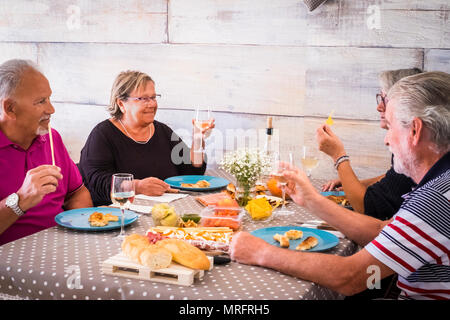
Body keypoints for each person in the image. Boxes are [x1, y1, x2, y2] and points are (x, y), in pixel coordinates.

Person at [230, 71, 450, 300]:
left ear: (414, 131)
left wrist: (259, 252)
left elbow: (350, 277)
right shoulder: (440, 185)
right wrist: (311, 200)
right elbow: (380, 231)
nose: (386, 139)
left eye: (391, 126)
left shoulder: (436, 198)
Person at [79, 70, 213, 206]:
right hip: (120, 216)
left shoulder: (162, 131)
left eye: (153, 97)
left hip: (164, 212)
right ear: (121, 104)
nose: (152, 104)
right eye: (143, 99)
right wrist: (137, 186)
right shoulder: (103, 134)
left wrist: (198, 138)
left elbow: (192, 172)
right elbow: (96, 182)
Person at [0, 59, 93, 246]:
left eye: (49, 98)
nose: (51, 109)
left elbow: (77, 193)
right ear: (10, 108)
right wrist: (21, 199)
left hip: (59, 251)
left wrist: (77, 230)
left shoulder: (51, 138)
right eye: (41, 101)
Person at [317, 68, 423, 220]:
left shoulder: (413, 151)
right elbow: (394, 177)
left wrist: (338, 156)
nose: (379, 107)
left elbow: (369, 208)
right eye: (379, 98)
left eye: (384, 99)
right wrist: (356, 184)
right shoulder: (408, 153)